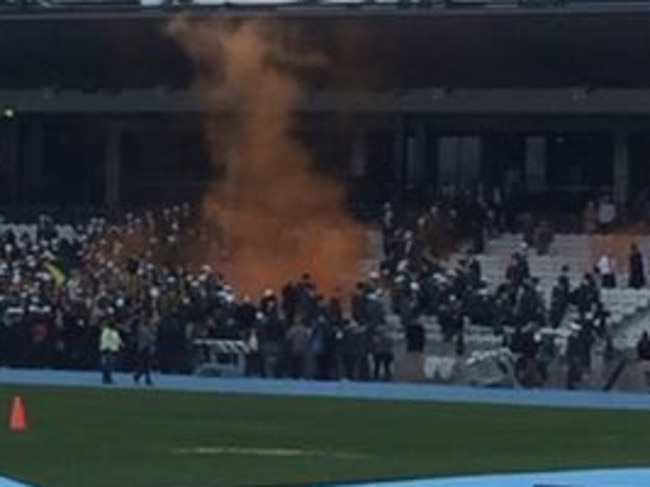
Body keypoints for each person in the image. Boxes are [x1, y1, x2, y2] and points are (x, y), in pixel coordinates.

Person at [133, 311, 157, 386]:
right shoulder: (140, 327)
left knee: (148, 364)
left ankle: (147, 379)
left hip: (148, 347)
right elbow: (148, 335)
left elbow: (154, 332)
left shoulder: (150, 326)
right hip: (142, 347)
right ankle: (138, 375)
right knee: (142, 364)